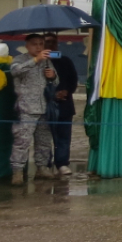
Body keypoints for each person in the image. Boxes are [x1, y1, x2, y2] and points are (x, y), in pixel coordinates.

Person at [9, 33, 57, 184]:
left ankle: (42, 167)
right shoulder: (20, 59)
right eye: (34, 44)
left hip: (44, 106)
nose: (38, 47)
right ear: (27, 46)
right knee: (22, 141)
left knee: (43, 141)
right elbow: (15, 71)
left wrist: (52, 76)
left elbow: (56, 82)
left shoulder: (47, 60)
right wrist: (35, 60)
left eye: (41, 44)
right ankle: (17, 171)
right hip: (27, 107)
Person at [43, 33, 78, 178]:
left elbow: (73, 81)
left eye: (53, 42)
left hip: (64, 105)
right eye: (47, 42)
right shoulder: (39, 62)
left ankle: (62, 163)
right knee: (44, 138)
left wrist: (67, 91)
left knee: (63, 137)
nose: (50, 45)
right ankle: (44, 164)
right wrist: (51, 95)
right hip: (45, 106)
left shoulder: (65, 61)